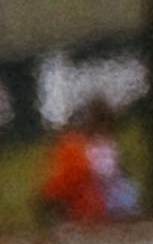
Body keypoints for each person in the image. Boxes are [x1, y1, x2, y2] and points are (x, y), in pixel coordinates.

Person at [38, 95, 138, 230]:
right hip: (90, 189)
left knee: (119, 193)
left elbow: (107, 170)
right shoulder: (79, 144)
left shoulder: (105, 144)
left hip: (102, 190)